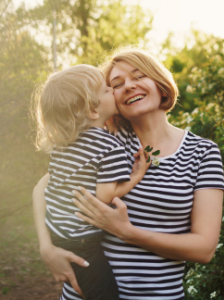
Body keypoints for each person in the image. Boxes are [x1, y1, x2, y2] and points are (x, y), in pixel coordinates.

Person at [33, 48, 224, 300]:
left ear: (160, 84)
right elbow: (43, 188)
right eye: (116, 84)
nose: (128, 86)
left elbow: (204, 249)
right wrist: (47, 248)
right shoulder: (104, 143)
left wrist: (127, 232)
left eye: (138, 76)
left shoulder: (202, 152)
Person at [33, 64, 150, 300]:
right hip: (82, 239)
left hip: (58, 231)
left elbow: (49, 185)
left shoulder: (65, 144)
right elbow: (104, 198)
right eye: (108, 89)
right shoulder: (109, 147)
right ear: (93, 111)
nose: (112, 91)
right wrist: (137, 175)